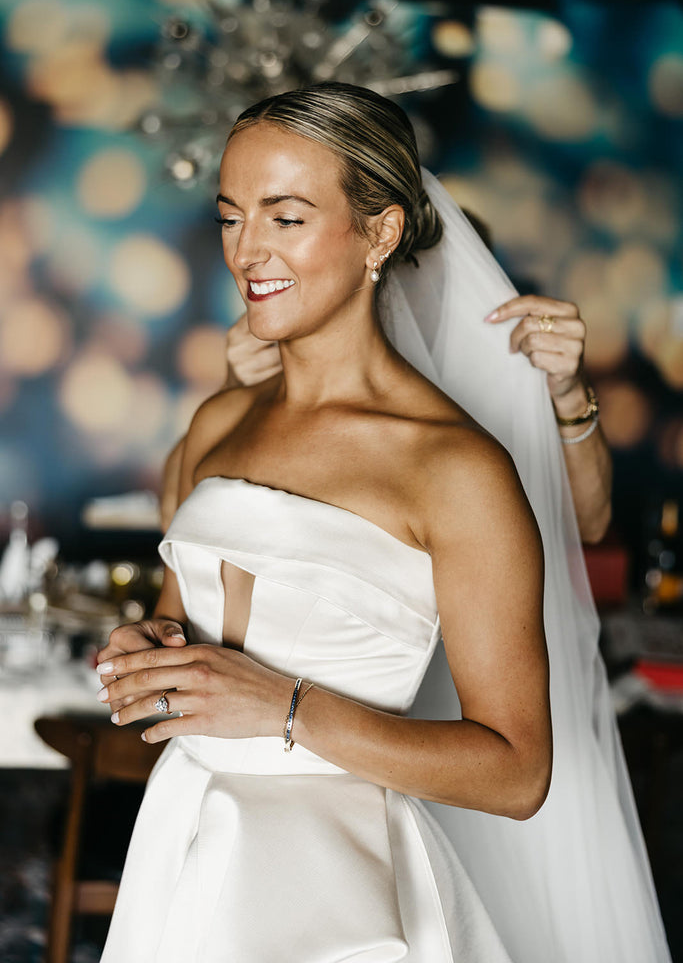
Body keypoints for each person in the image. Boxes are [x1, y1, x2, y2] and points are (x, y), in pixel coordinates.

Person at [96, 83, 670, 962]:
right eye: (230, 217)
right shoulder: (220, 422)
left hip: (333, 887)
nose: (246, 251)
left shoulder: (456, 469)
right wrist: (149, 655)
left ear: (380, 232)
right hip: (182, 844)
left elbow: (517, 771)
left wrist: (284, 707)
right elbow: (186, 627)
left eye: (285, 217)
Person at [161, 291, 613, 542]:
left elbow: (589, 525)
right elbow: (179, 530)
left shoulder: (512, 341)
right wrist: (234, 390)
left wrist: (570, 394)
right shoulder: (301, 336)